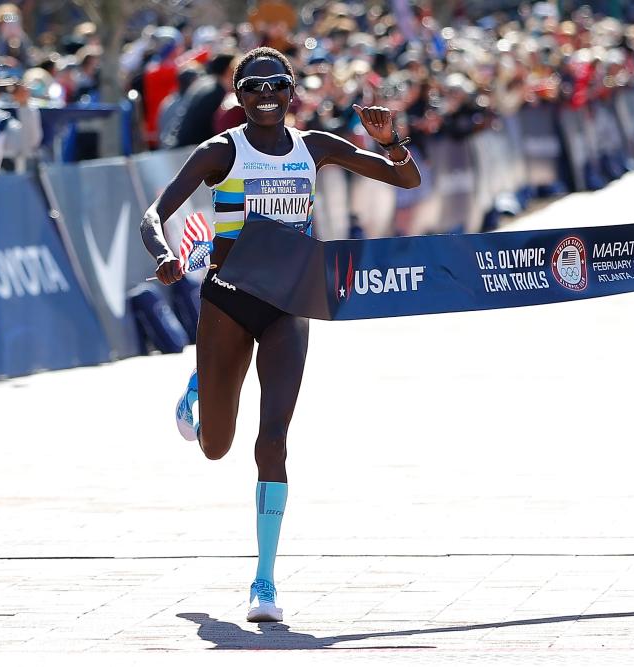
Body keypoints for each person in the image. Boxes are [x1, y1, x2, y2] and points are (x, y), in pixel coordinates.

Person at [140, 46, 420, 622]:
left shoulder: (312, 146)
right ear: (237, 95)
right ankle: (200, 386)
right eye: (253, 86)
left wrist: (390, 139)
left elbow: (406, 179)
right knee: (216, 447)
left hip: (289, 304)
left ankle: (264, 581)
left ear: (292, 92)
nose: (265, 94)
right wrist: (166, 255)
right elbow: (154, 215)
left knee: (272, 443)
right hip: (228, 302)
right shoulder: (222, 150)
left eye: (276, 85)